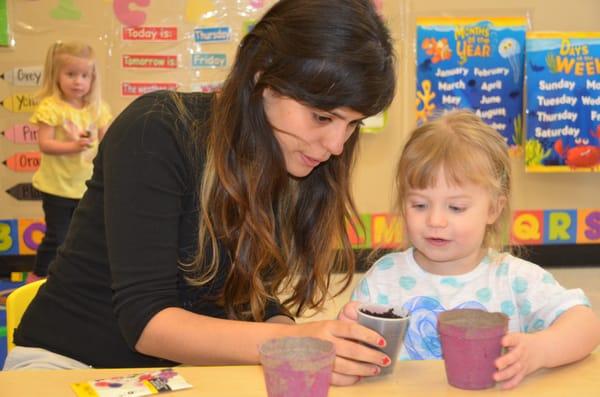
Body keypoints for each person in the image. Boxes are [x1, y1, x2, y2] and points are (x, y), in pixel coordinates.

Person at [5, 0, 397, 387]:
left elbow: (242, 295)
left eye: (353, 124)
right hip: (69, 367)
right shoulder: (156, 130)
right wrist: (293, 339)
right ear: (261, 77)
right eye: (323, 117)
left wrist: (296, 343)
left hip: (177, 376)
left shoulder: (293, 160)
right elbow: (148, 322)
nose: (336, 145)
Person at [341, 110, 600, 389]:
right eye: (419, 205)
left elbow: (586, 325)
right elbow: (346, 358)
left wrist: (540, 350)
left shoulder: (513, 278)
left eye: (456, 207)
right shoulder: (384, 279)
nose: (435, 221)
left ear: (493, 209)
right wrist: (349, 335)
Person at [26, 41, 112, 282]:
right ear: (56, 76)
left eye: (85, 75)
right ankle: (36, 278)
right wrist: (74, 146)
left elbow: (108, 143)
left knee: (84, 237)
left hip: (86, 187)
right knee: (57, 236)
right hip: (57, 188)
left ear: (93, 78)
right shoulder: (51, 107)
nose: (78, 81)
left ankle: (72, 280)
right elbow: (45, 144)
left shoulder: (97, 109)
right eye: (71, 74)